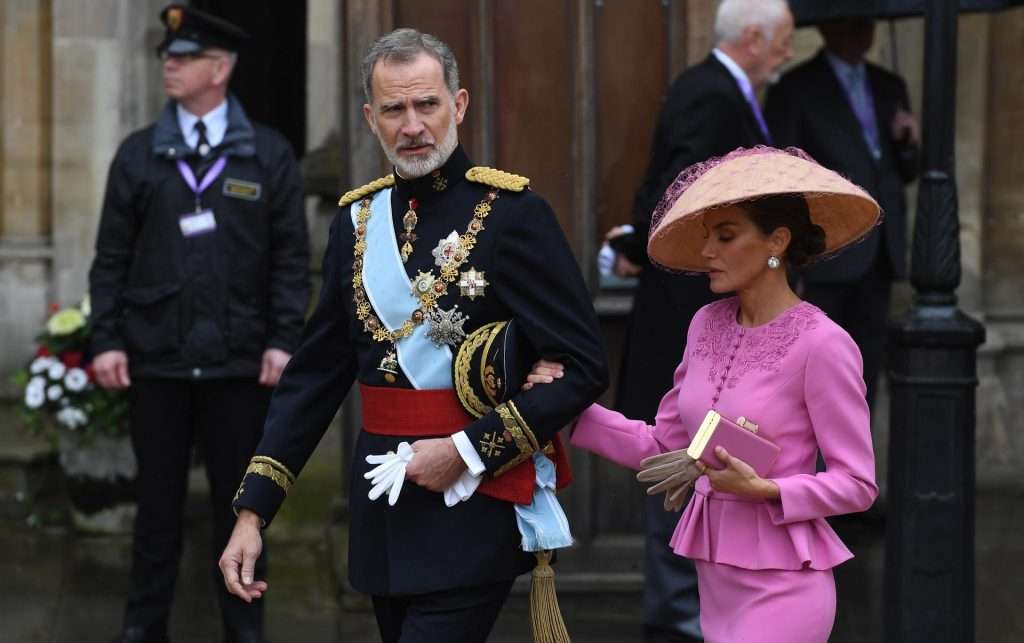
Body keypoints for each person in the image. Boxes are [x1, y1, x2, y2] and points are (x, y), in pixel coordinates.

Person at [218, 28, 608, 643]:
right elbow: (316, 376)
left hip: (472, 504)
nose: (413, 126)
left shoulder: (513, 215)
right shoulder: (355, 222)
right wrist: (253, 511)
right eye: (395, 109)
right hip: (383, 511)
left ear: (458, 104)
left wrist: (467, 450)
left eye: (426, 104)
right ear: (372, 119)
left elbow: (584, 365)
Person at [558, 146, 880, 642]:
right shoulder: (704, 324)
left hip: (786, 590)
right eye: (708, 236)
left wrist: (767, 490)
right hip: (715, 590)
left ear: (777, 240)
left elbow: (857, 484)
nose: (707, 251)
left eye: (725, 236)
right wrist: (568, 409)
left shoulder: (824, 344)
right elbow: (666, 446)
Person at [88, 5, 310, 643]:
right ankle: (142, 627)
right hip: (157, 363)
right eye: (168, 55)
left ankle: (245, 629)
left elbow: (292, 260)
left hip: (239, 367)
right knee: (155, 514)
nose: (169, 65)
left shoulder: (267, 156)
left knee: (241, 512)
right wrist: (106, 339)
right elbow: (110, 261)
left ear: (220, 68)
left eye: (183, 57)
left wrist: (281, 340)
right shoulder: (138, 155)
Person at [605, 2, 795, 640]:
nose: (787, 55)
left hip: (709, 316)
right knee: (682, 458)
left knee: (710, 461)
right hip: (688, 317)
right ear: (752, 38)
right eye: (784, 43)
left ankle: (702, 608)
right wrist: (646, 242)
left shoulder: (714, 90)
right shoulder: (710, 94)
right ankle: (682, 616)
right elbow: (682, 193)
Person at [764, 16, 920, 411]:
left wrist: (907, 142)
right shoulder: (796, 86)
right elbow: (782, 177)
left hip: (879, 252)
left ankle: (856, 467)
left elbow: (905, 171)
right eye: (852, 24)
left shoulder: (889, 85)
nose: (861, 32)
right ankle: (815, 469)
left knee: (866, 371)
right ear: (828, 27)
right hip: (825, 253)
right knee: (815, 371)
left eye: (866, 25)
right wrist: (789, 262)